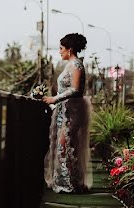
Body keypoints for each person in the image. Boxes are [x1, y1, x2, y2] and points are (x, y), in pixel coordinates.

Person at [43, 33, 93, 194]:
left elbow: (75, 89)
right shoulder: (69, 64)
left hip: (72, 110)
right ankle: (67, 181)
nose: (59, 52)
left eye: (61, 48)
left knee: (65, 145)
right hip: (64, 110)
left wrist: (54, 99)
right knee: (62, 144)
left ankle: (70, 183)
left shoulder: (77, 65)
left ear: (69, 49)